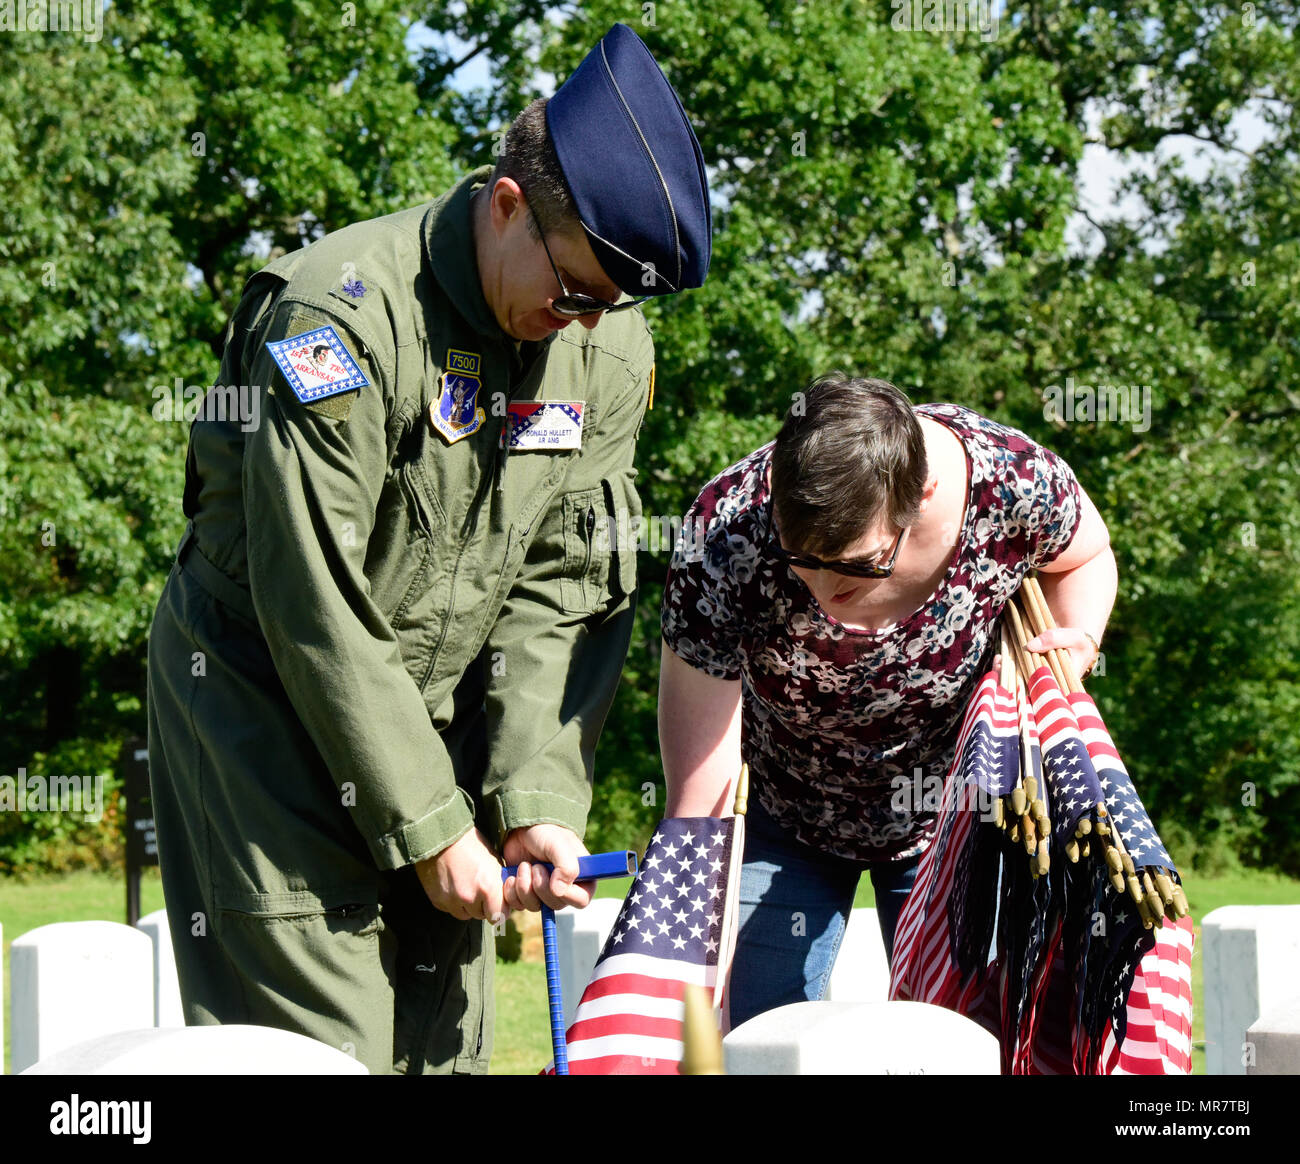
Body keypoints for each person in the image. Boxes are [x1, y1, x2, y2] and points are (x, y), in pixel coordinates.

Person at [147, 23, 710, 1075]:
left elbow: (565, 586)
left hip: (433, 717)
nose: (588, 325)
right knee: (321, 1055)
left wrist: (535, 801)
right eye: (579, 291)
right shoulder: (336, 321)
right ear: (508, 208)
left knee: (440, 1052)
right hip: (264, 712)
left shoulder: (600, 342)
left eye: (613, 304)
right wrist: (428, 825)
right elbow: (313, 596)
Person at [657, 375, 1116, 1028]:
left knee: (962, 1040)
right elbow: (699, 786)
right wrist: (691, 923)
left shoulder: (1010, 482)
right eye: (799, 559)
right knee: (762, 1039)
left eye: (857, 564)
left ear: (923, 494)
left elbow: (1084, 555)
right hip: (784, 814)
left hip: (956, 815)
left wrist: (1080, 640)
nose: (821, 589)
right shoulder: (726, 529)